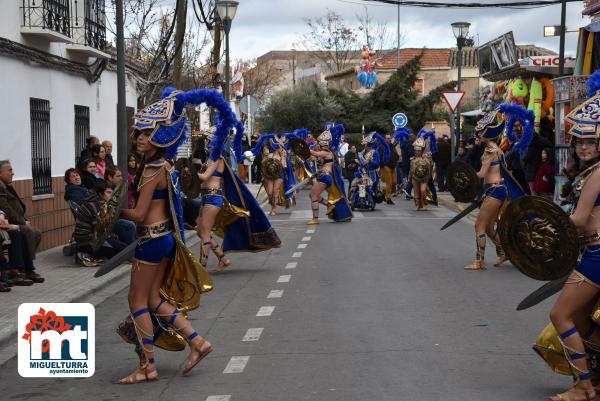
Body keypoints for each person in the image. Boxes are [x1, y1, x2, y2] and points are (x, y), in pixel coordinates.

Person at [115, 87, 214, 384]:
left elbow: (139, 215)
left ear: (159, 138)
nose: (139, 139)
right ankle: (197, 342)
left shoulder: (150, 170)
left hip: (151, 241)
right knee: (155, 299)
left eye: (145, 134)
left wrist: (113, 212)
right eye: (139, 134)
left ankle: (148, 367)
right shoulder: (167, 166)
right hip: (165, 239)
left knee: (137, 301)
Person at [544, 79, 600, 401]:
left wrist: (550, 228)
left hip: (597, 255)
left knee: (560, 316)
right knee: (579, 319)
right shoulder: (589, 173)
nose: (583, 147)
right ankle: (594, 375)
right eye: (579, 141)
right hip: (591, 252)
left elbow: (578, 220)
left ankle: (582, 386)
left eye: (590, 142)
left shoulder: (598, 173)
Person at [463, 106, 529, 271]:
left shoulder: (490, 151)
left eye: (480, 132)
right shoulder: (497, 149)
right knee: (489, 226)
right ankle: (505, 252)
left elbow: (481, 174)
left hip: (494, 190)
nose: (477, 135)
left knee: (479, 225)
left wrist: (466, 174)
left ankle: (479, 261)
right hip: (498, 190)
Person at [306, 124, 353, 225]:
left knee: (314, 195)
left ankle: (315, 219)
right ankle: (329, 204)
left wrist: (303, 146)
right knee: (312, 195)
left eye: (319, 144)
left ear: (323, 144)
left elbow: (314, 153)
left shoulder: (326, 153)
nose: (317, 145)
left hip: (325, 177)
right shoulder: (329, 153)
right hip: (325, 176)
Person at [0, 160, 42, 262]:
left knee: (35, 232)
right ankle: (25, 267)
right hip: (7, 223)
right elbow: (7, 209)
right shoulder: (1, 188)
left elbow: (15, 207)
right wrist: (23, 222)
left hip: (14, 222)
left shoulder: (6, 186)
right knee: (29, 231)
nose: (13, 173)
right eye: (9, 170)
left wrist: (24, 220)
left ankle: (24, 265)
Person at [410, 130, 437, 211]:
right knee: (416, 194)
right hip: (415, 178)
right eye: (416, 150)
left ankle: (424, 203)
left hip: (424, 178)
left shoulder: (426, 158)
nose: (417, 152)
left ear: (421, 151)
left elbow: (430, 167)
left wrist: (427, 160)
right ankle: (419, 205)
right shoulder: (412, 159)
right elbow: (411, 170)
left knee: (423, 191)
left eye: (419, 151)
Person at [381, 134, 399, 205]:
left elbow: (396, 155)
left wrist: (397, 156)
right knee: (389, 183)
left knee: (394, 183)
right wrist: (383, 164)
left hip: (393, 166)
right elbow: (380, 156)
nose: (389, 139)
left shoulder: (392, 146)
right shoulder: (382, 147)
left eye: (390, 138)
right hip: (386, 166)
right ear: (385, 139)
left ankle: (383, 193)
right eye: (387, 138)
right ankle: (388, 198)